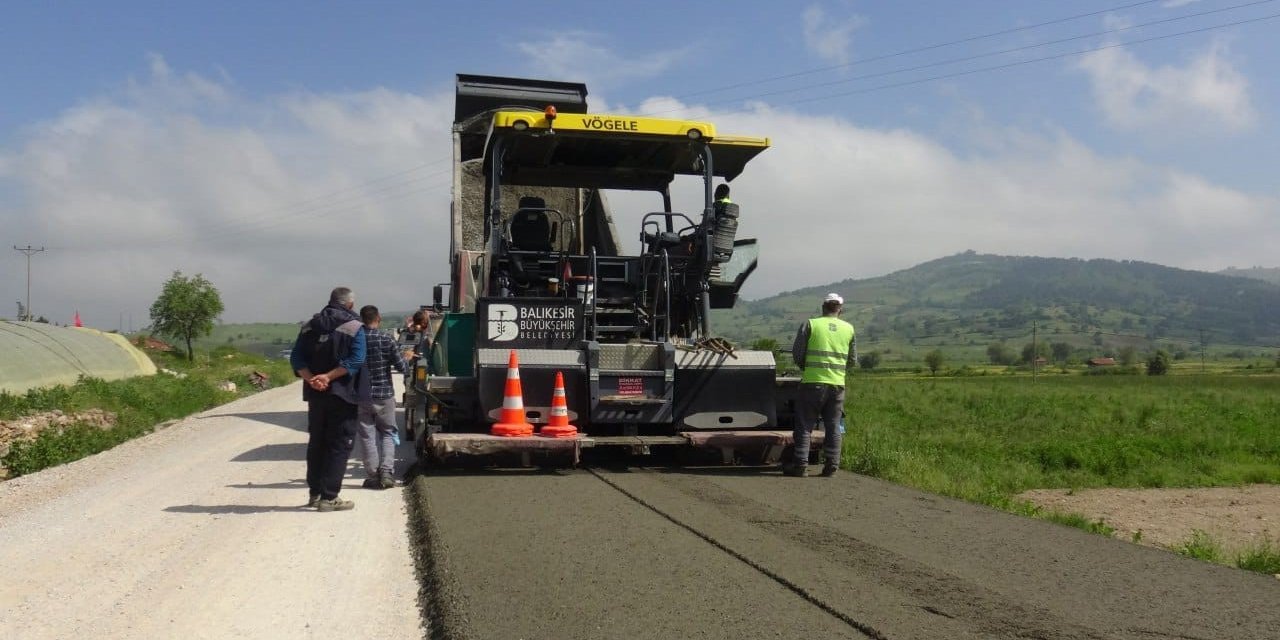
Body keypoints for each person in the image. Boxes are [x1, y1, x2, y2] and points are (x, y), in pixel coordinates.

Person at [291, 287, 369, 511]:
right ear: (350, 305)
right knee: (339, 444)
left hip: (316, 395)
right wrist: (328, 377)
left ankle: (314, 493)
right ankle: (329, 497)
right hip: (343, 396)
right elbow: (356, 360)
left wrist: (312, 379)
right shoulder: (355, 328)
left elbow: (296, 358)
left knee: (317, 443)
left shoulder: (308, 327)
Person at [785, 292, 857, 478]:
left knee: (804, 425)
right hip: (837, 385)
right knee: (833, 426)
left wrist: (806, 368)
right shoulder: (849, 329)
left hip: (812, 383)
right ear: (840, 309)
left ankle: (800, 464)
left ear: (823, 307)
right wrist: (838, 371)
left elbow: (798, 353)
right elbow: (852, 360)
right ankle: (832, 465)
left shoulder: (811, 324)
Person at [356, 305, 407, 489]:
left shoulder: (356, 338)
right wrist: (407, 358)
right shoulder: (386, 338)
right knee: (387, 432)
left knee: (367, 436)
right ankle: (386, 472)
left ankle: (373, 475)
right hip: (384, 394)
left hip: (361, 395)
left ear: (361, 319)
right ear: (378, 318)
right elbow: (402, 367)